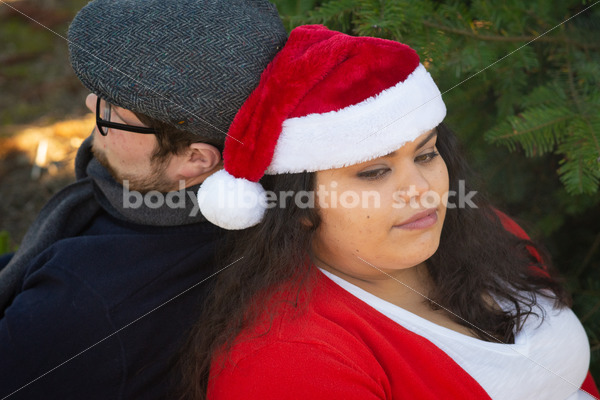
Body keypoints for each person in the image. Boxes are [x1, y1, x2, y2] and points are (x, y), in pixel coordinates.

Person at [181, 25, 600, 399]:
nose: (421, 191)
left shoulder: (487, 232)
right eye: (374, 172)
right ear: (300, 205)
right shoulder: (288, 362)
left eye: (426, 154)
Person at [0, 0, 287, 399]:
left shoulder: (82, 305)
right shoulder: (264, 210)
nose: (89, 104)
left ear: (194, 159)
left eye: (113, 109)